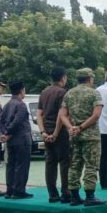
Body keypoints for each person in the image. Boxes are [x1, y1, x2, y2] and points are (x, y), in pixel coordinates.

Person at [60, 68, 106, 206]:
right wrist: (81, 127)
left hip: (74, 136)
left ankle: (74, 196)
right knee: (91, 166)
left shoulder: (69, 93)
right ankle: (90, 196)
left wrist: (71, 127)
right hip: (90, 136)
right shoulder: (94, 93)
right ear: (90, 78)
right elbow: (96, 115)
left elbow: (62, 115)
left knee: (74, 165)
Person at [37, 67, 70, 202]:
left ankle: (52, 194)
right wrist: (56, 133)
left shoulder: (44, 92)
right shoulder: (63, 92)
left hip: (46, 131)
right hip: (60, 132)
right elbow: (61, 115)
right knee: (64, 162)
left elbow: (39, 114)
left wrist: (43, 132)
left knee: (50, 162)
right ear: (63, 78)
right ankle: (65, 192)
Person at [0, 81, 33, 199]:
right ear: (21, 90)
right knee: (22, 165)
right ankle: (19, 191)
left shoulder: (7, 104)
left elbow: (1, 122)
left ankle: (10, 190)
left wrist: (5, 133)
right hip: (22, 139)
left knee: (11, 165)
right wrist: (8, 132)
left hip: (11, 141)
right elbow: (17, 121)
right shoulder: (21, 105)